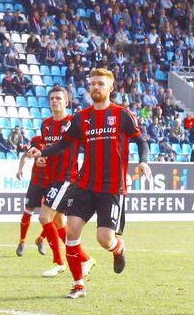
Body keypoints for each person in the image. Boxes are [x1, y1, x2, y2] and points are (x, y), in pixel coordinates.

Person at [28, 68, 152, 299]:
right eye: (93, 84)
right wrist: (41, 151)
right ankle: (79, 285)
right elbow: (63, 144)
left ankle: (119, 248)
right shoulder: (81, 118)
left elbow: (141, 141)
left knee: (104, 238)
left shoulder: (122, 114)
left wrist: (143, 162)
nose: (96, 87)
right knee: (71, 232)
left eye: (101, 84)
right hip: (84, 185)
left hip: (112, 188)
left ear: (110, 88)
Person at [16, 86, 80, 277]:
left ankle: (59, 261)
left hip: (67, 178)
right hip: (50, 179)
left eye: (59, 98)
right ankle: (84, 259)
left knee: (44, 217)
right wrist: (41, 159)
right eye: (52, 98)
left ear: (66, 102)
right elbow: (44, 152)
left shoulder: (74, 123)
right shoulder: (45, 125)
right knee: (58, 220)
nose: (55, 101)